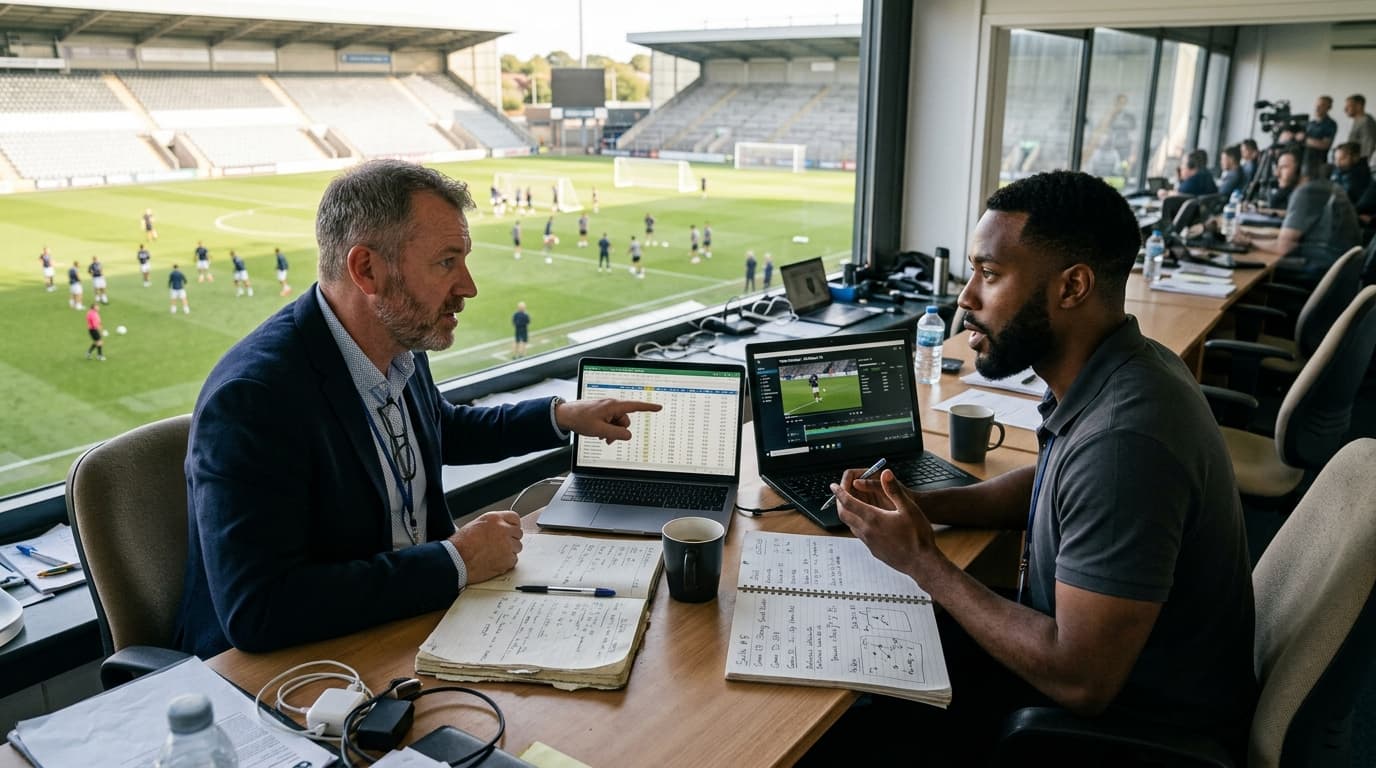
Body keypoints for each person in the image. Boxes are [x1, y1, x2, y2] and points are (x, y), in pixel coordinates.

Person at [820, 170, 1256, 766]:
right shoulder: (1123, 367)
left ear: (1072, 286)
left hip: (1116, 729)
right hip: (1098, 673)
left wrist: (922, 561)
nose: (965, 298)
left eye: (990, 275)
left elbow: (1082, 680)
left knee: (842, 731)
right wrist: (921, 507)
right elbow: (1053, 485)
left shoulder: (1126, 442)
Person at [173, 159, 662, 657]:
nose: (468, 286)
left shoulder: (399, 339)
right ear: (367, 270)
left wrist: (562, 417)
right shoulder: (254, 399)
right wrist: (455, 561)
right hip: (294, 670)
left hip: (409, 622)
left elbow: (439, 427)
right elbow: (260, 609)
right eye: (447, 262)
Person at [1235, 149, 1361, 287]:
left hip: (1319, 270)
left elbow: (1284, 247)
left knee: (1244, 265)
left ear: (1302, 169)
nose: (1277, 173)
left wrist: (1249, 242)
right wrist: (1253, 235)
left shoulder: (1306, 191)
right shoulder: (1324, 186)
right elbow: (1292, 236)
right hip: (1334, 268)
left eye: (1284, 167)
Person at [1303, 95, 1338, 167]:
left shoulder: (1330, 124)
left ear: (1329, 108)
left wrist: (1304, 139)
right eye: (1316, 105)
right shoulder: (1310, 123)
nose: (1317, 108)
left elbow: (1325, 145)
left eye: (1322, 105)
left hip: (1317, 163)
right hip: (1302, 160)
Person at [1345, 94, 1376, 169]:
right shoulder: (1358, 120)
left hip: (1360, 165)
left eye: (1348, 106)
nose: (1345, 109)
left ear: (1359, 106)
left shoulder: (1366, 121)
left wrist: (1361, 165)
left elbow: (1369, 145)